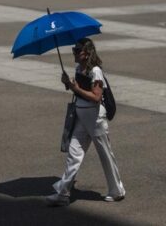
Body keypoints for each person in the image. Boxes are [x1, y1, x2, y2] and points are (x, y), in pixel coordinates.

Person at [46, 38, 125, 207]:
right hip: (82, 117)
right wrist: (68, 83)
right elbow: (80, 92)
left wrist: (75, 88)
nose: (74, 52)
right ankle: (63, 193)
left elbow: (96, 97)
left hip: (96, 118)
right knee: (74, 154)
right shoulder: (78, 68)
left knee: (105, 154)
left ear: (87, 53)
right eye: (74, 49)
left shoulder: (95, 71)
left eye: (77, 50)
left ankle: (117, 191)